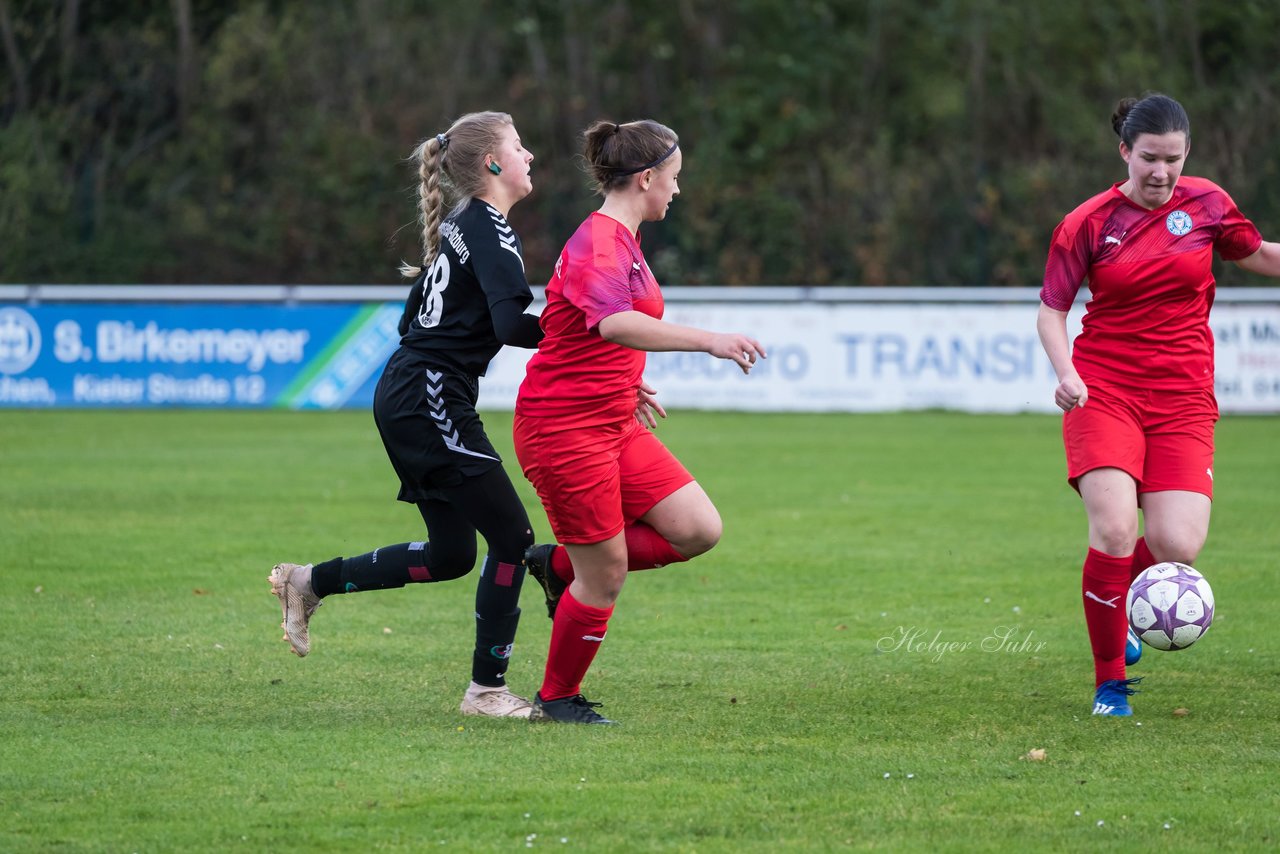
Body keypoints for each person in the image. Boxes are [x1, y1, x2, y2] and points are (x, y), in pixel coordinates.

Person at [270, 111, 547, 718]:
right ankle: (487, 691)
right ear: (492, 163)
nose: (531, 156)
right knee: (513, 537)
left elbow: (413, 321)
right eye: (521, 146)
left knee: (452, 555)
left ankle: (307, 581)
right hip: (429, 396)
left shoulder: (460, 223)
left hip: (410, 389)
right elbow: (510, 326)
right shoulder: (494, 233)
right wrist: (593, 327)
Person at [514, 119, 767, 724]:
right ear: (647, 177)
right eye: (674, 179)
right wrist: (710, 341)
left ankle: (558, 566)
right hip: (564, 429)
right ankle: (557, 699)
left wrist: (625, 383)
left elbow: (591, 334)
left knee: (697, 528)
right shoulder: (601, 243)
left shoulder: (623, 240)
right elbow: (613, 323)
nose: (677, 191)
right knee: (605, 577)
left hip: (611, 419)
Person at [1038, 93, 1280, 716]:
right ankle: (1109, 683)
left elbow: (1261, 257)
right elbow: (1052, 310)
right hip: (1104, 388)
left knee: (1177, 543)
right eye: (1149, 158)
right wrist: (1065, 373)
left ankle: (1118, 606)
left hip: (1183, 396)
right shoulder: (1087, 222)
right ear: (1125, 151)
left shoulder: (1208, 204)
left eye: (1173, 159)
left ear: (1187, 155)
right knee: (1116, 528)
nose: (1161, 172)